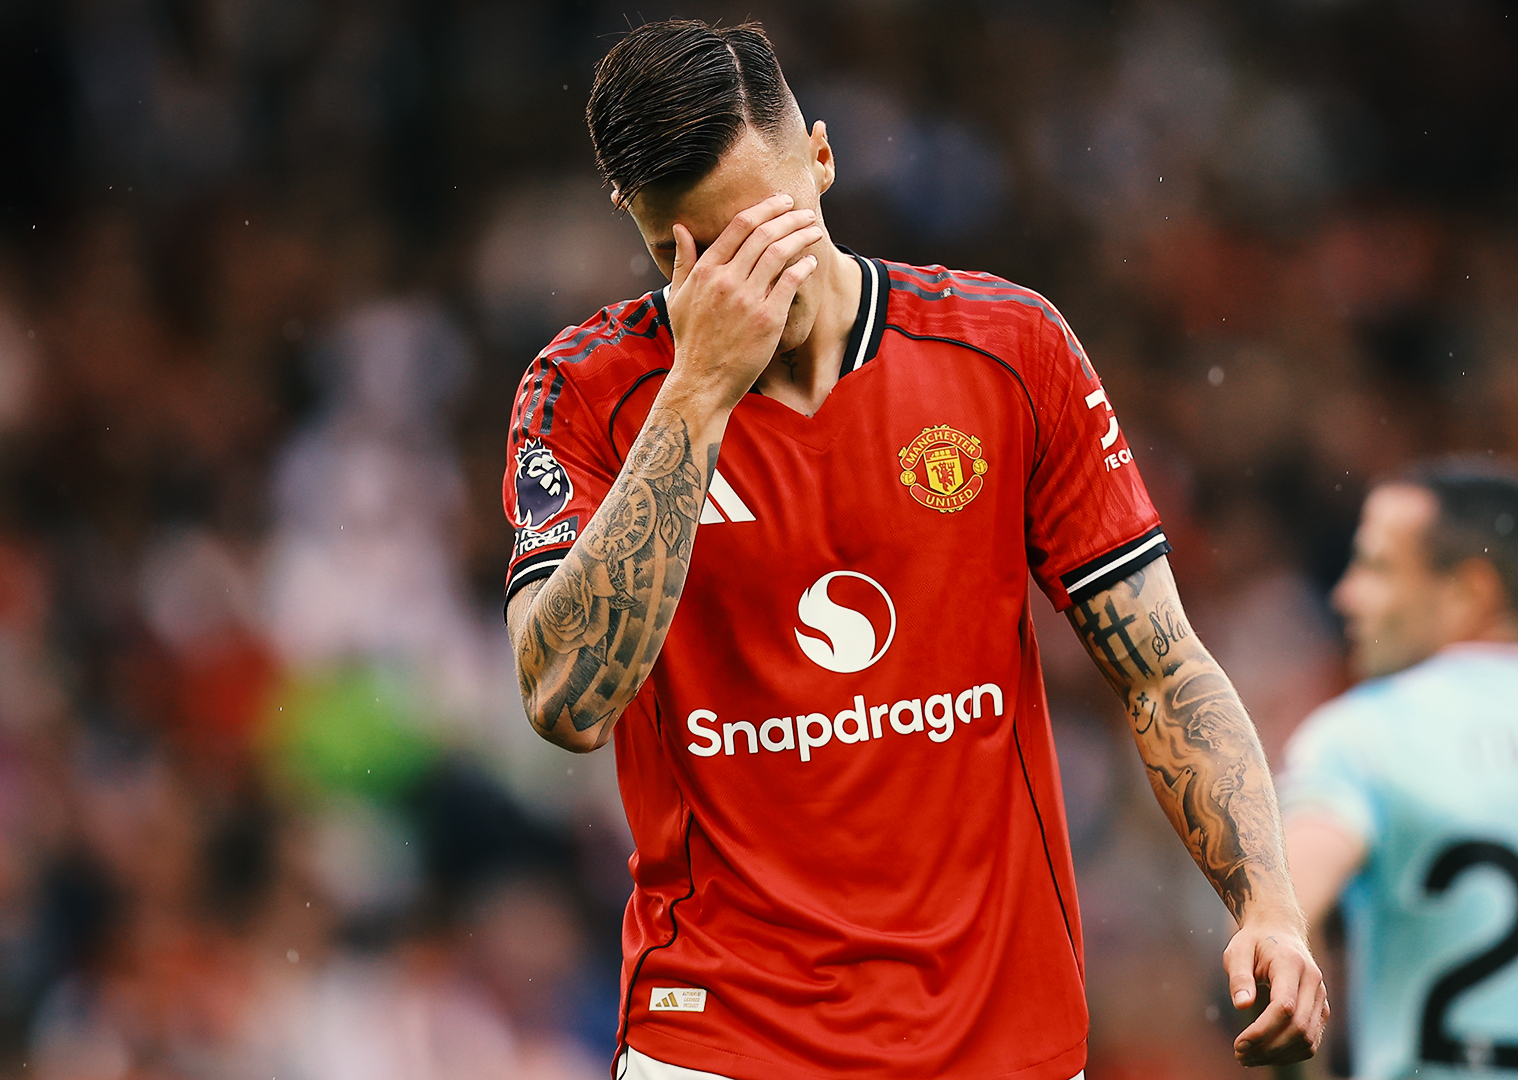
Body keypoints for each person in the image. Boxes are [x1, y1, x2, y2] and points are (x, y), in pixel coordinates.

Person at [500, 20, 1325, 1080]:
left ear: (826, 159)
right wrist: (697, 392)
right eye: (690, 254)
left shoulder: (1006, 350)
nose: (743, 285)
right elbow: (565, 701)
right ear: (639, 227)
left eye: (768, 233)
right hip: (724, 1036)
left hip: (997, 1035)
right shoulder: (585, 391)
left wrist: (1267, 903)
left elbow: (1162, 668)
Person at [1280, 461, 1518, 1079]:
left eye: (1376, 567)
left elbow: (1281, 928)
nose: (1346, 594)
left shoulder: (1366, 735)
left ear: (1470, 591)